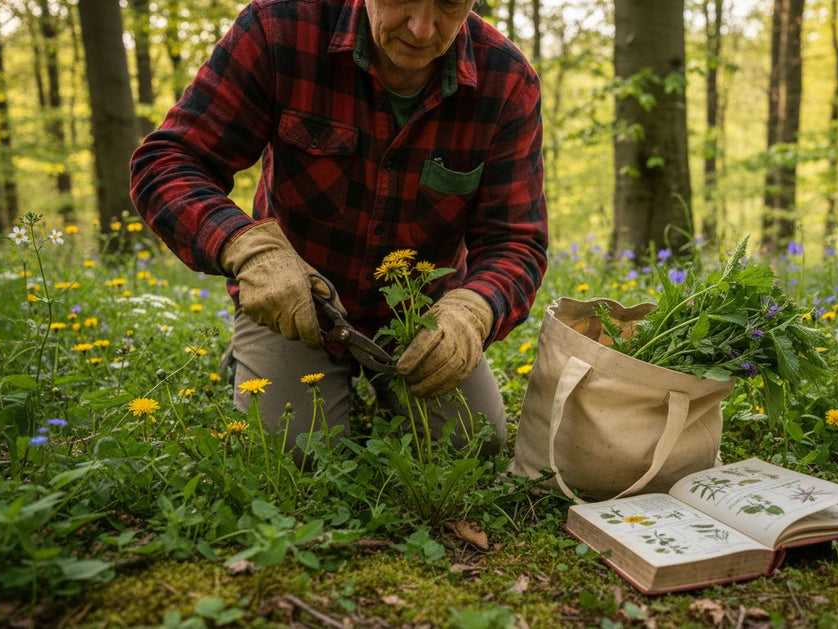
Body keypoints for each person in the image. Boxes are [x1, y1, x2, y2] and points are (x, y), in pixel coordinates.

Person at [130, 0, 547, 452]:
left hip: (420, 318)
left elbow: (515, 240)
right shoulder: (280, 29)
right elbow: (168, 162)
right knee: (293, 450)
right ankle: (254, 357)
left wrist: (473, 310)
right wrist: (247, 248)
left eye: (448, 3)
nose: (423, 28)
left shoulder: (506, 81)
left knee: (471, 443)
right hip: (296, 302)